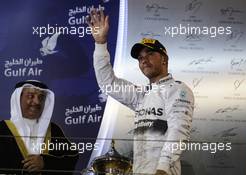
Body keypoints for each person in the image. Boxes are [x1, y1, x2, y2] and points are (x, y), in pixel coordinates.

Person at [87, 10, 194, 175]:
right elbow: (108, 83)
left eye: (150, 54)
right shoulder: (141, 95)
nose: (144, 59)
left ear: (164, 59)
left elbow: (178, 131)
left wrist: (162, 169)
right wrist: (100, 44)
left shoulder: (178, 89)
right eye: (140, 58)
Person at [0, 80, 79, 175]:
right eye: (30, 96)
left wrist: (46, 163)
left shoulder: (53, 129)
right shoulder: (2, 129)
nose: (37, 101)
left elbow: (72, 158)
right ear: (18, 98)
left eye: (41, 97)